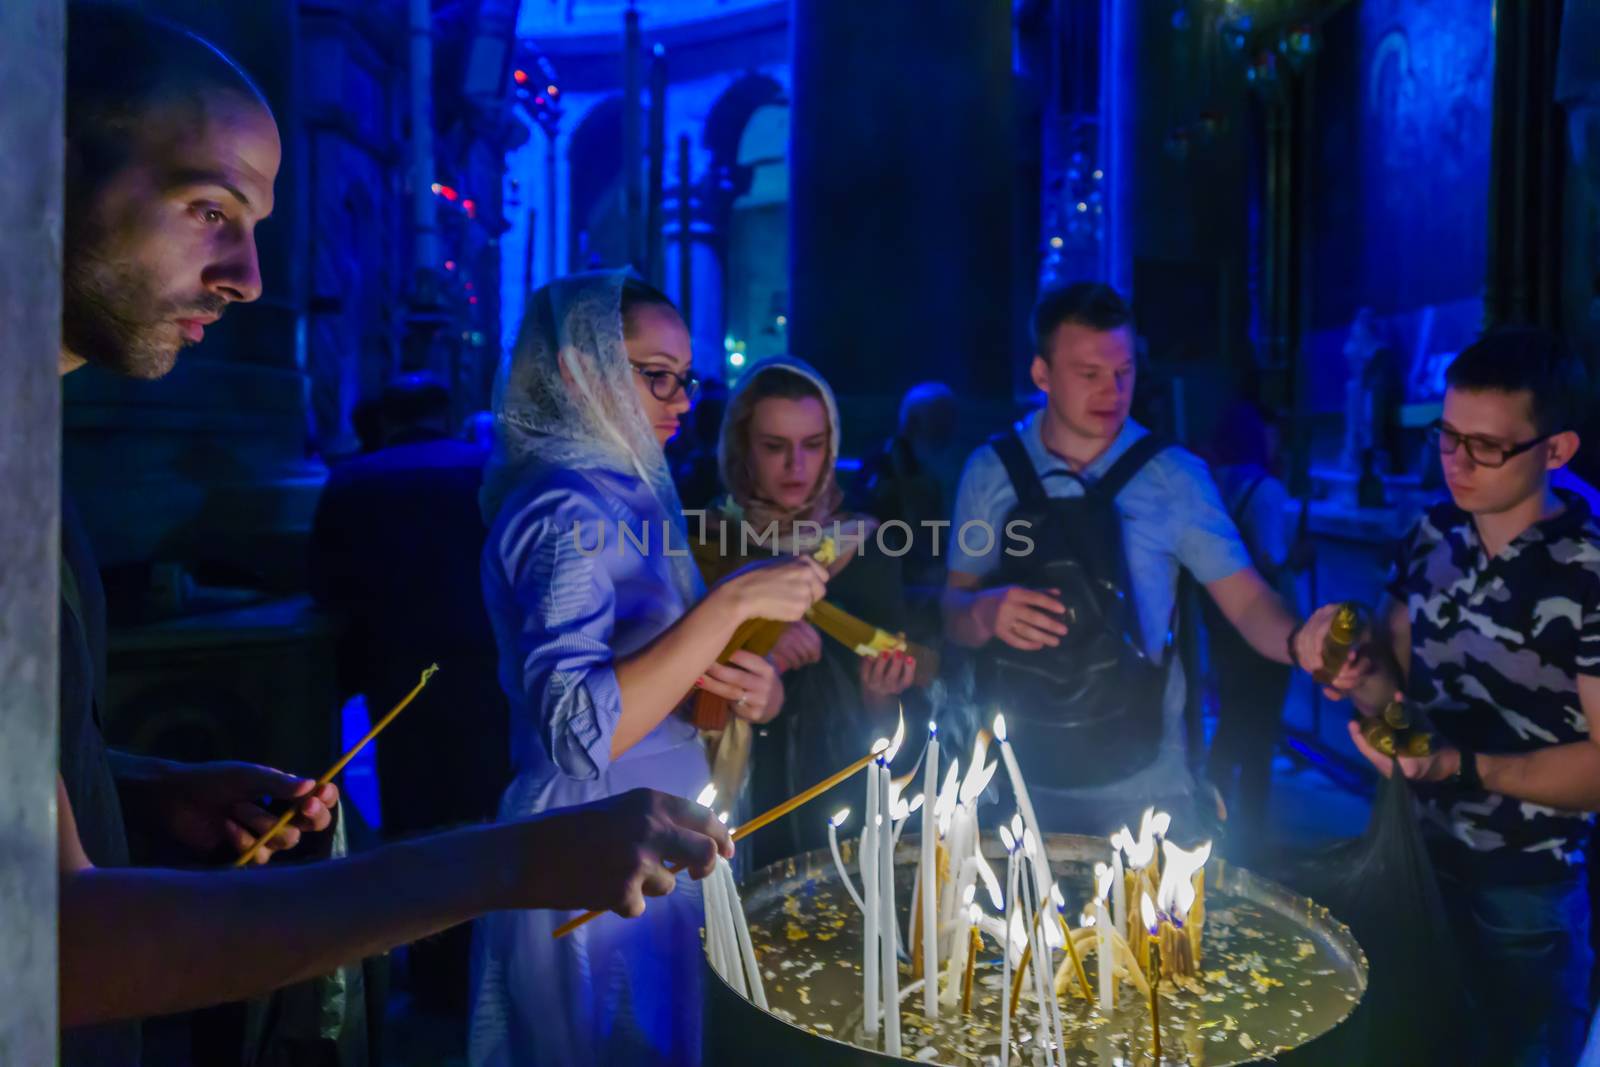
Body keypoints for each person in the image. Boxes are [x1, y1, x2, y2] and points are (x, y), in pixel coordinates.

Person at [53, 7, 733, 1059]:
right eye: (208, 207)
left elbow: (37, 777)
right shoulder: (559, 507)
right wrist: (509, 859)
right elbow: (51, 933)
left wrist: (144, 783)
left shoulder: (28, 470)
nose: (250, 277)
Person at [467, 276, 828, 1067]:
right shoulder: (565, 507)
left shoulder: (628, 490)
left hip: (653, 819)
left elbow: (657, 673)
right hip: (591, 830)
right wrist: (728, 606)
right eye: (653, 372)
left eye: (686, 377)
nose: (678, 398)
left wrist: (743, 689)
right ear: (580, 370)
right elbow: (577, 730)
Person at [1303, 327, 1600, 1067]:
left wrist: (1460, 765)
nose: (1457, 463)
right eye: (1447, 436)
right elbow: (1395, 693)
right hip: (1412, 855)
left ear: (1556, 451)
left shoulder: (1586, 567)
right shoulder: (1432, 532)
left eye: (1488, 446)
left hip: (1523, 887)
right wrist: (1351, 671)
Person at [941, 282, 1319, 836]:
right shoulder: (989, 472)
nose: (1111, 392)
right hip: (1014, 780)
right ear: (1041, 374)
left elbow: (1248, 603)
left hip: (1144, 786)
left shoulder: (1174, 476)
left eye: (1123, 373)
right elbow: (952, 612)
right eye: (1088, 374)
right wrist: (984, 611)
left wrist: (1303, 644)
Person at [308, 371, 507, 1013]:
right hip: (488, 671)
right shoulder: (485, 468)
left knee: (416, 817)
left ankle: (432, 973)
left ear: (387, 420)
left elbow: (329, 585)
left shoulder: (354, 479)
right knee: (489, 811)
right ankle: (490, 965)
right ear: (445, 412)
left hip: (403, 676)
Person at [696, 357, 917, 865]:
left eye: (813, 446)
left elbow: (894, 717)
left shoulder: (863, 544)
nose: (796, 467)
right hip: (727, 789)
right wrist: (760, 640)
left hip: (835, 792)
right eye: (774, 447)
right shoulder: (707, 541)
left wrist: (879, 690)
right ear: (741, 448)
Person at [1199, 400, 1303, 859]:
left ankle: (1210, 813)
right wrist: (1302, 557)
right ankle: (1253, 834)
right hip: (1265, 623)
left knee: (1230, 718)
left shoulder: (1212, 484)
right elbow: (1272, 558)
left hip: (1221, 625)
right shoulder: (1266, 490)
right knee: (1260, 730)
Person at [847, 380, 961, 641]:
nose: (949, 432)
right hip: (895, 602)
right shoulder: (883, 473)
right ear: (914, 423)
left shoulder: (933, 467)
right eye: (940, 423)